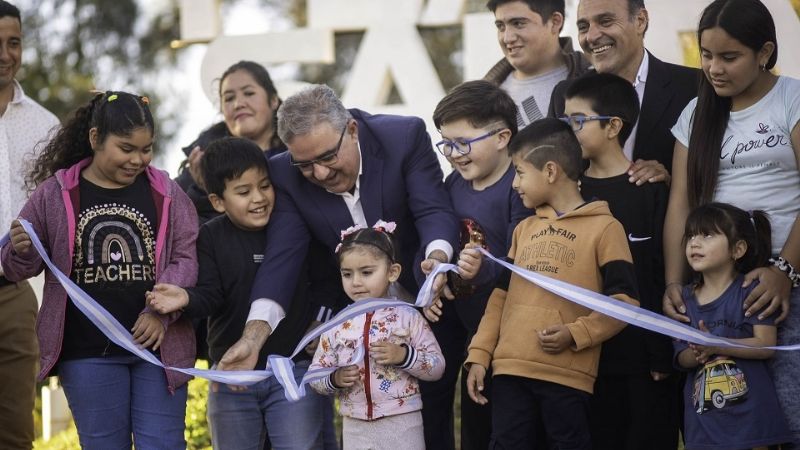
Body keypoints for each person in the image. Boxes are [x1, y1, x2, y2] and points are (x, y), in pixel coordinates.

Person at [1, 91, 198, 448]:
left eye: (146, 149)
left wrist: (160, 313)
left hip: (157, 351)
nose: (138, 160)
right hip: (88, 354)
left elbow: (185, 258)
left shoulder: (167, 192)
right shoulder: (54, 193)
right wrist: (18, 249)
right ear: (95, 139)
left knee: (164, 443)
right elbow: (19, 268)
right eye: (127, 148)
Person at [663, 0, 800, 444]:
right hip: (722, 289)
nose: (713, 68)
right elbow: (680, 206)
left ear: (764, 52)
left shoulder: (792, 98)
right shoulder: (695, 115)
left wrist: (785, 271)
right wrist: (674, 284)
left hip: (786, 278)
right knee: (734, 418)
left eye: (729, 57)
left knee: (792, 412)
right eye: (706, 55)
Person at [147, 137, 333, 450]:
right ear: (218, 201)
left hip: (293, 368)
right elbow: (210, 295)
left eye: (265, 186)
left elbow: (326, 283)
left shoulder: (292, 227)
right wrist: (185, 298)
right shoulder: (210, 235)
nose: (259, 198)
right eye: (244, 192)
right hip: (232, 376)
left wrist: (320, 323)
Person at [464, 118, 639, 449]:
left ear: (550, 171)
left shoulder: (606, 229)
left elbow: (625, 302)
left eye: (519, 172)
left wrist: (576, 334)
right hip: (510, 370)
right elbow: (500, 298)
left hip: (567, 377)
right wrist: (479, 354)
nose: (515, 184)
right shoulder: (524, 230)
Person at [563, 72, 677, 449]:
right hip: (583, 358)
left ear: (613, 126)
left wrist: (662, 353)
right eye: (565, 122)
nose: (569, 131)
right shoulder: (567, 194)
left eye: (578, 121)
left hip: (643, 362)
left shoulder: (650, 191)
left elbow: (659, 270)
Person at [425, 79, 530, 450]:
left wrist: (483, 269)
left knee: (489, 413)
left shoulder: (520, 186)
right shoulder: (452, 185)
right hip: (460, 317)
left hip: (503, 328)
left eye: (463, 143)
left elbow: (524, 257)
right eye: (447, 144)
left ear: (502, 137)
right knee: (442, 401)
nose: (454, 154)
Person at [309, 224, 445, 450]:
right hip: (355, 426)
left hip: (402, 422)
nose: (356, 282)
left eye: (366, 272)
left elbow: (437, 366)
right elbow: (314, 377)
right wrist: (334, 378)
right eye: (347, 274)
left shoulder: (409, 317)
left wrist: (404, 356)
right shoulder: (336, 324)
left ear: (392, 272)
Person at [674, 203, 793, 449]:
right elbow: (681, 356)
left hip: (753, 428)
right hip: (703, 431)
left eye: (707, 235)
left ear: (737, 249)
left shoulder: (751, 291)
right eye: (691, 235)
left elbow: (766, 344)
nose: (695, 242)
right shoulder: (683, 300)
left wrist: (716, 345)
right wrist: (698, 351)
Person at [549, 0, 698, 186]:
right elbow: (551, 177)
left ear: (640, 21)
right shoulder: (564, 95)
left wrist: (670, 183)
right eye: (583, 26)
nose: (592, 36)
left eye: (605, 21)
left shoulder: (693, 87)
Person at [0, 2, 59, 448]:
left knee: (16, 429)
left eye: (13, 42)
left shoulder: (45, 125)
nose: (5, 53)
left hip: (15, 296)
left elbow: (57, 212)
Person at [176, 60, 284, 226]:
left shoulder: (301, 153)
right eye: (229, 98)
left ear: (274, 100)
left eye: (249, 93)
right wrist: (205, 188)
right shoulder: (201, 158)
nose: (238, 104)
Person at [484, 0, 590, 130]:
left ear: (555, 22)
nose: (507, 38)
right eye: (501, 26)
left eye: (518, 24)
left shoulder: (594, 79)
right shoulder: (483, 95)